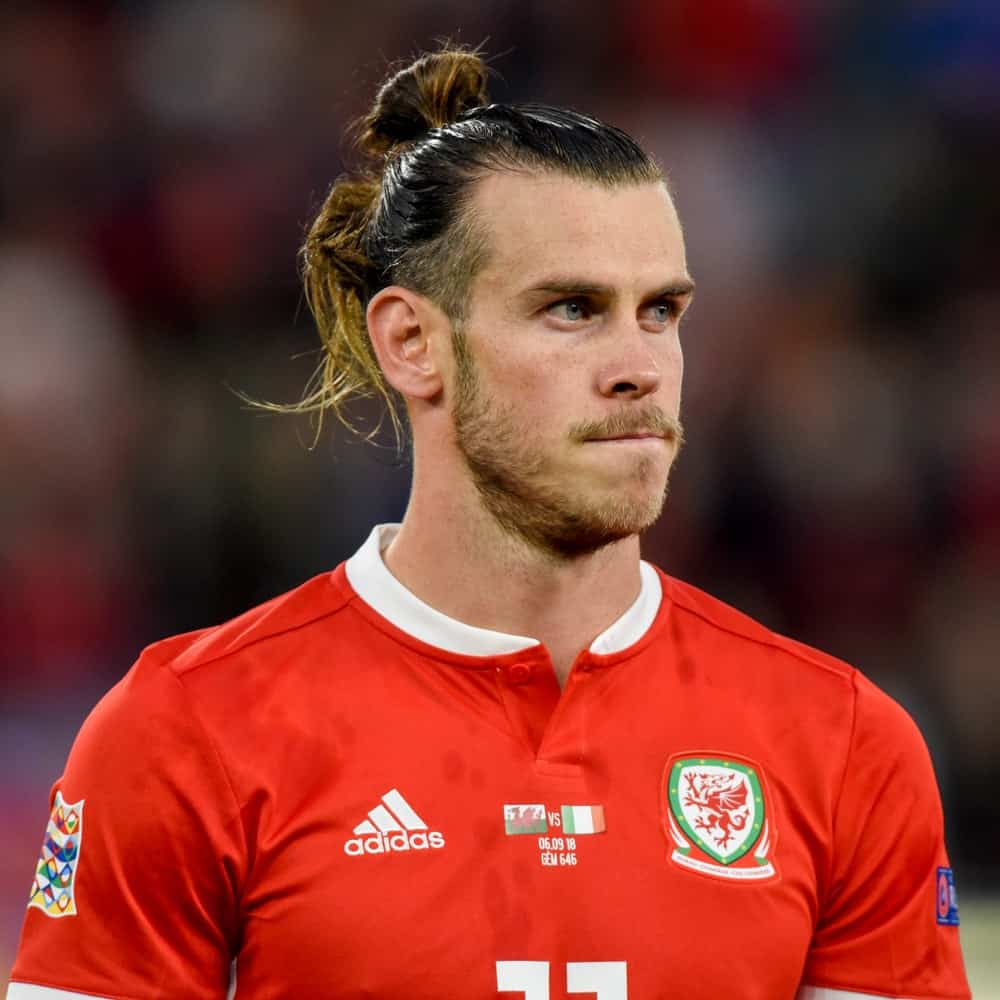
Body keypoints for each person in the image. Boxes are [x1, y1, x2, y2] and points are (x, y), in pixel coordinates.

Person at [8, 47, 970, 1000]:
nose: (639, 364)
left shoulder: (842, 745)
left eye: (661, 311)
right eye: (572, 309)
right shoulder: (187, 734)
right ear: (413, 342)